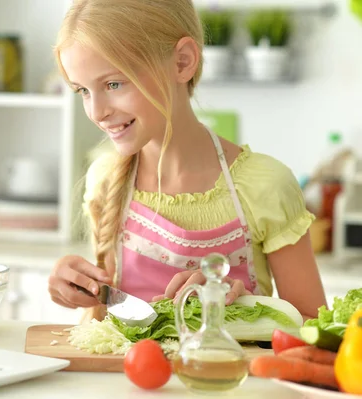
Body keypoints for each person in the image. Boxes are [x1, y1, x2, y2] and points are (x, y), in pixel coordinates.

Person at [47, 0, 327, 322]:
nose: (97, 112)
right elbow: (103, 319)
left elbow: (314, 331)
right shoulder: (106, 179)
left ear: (182, 62)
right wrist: (77, 286)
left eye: (113, 84)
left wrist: (243, 307)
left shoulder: (266, 186)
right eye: (82, 90)